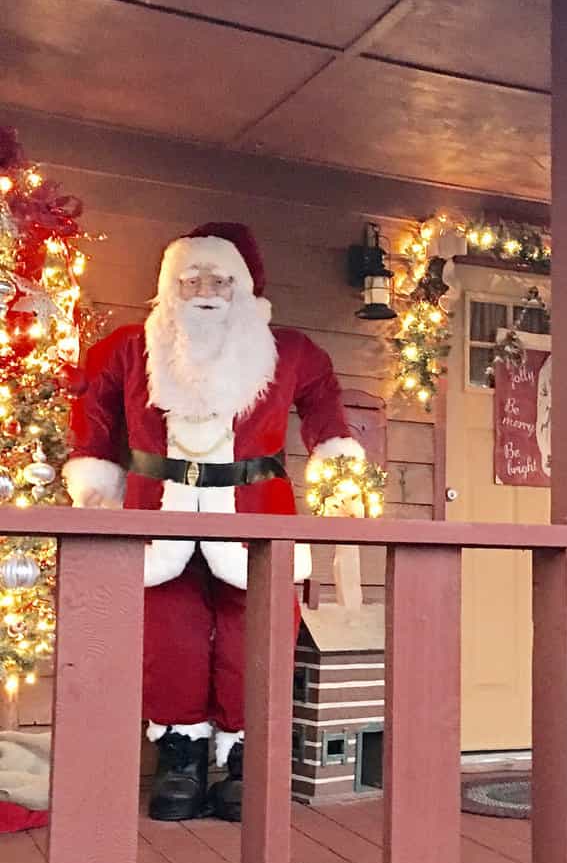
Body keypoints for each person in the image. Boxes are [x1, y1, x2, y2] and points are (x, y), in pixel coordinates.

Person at [63, 223, 364, 822]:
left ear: (244, 288)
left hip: (257, 514)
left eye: (220, 279)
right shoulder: (129, 349)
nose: (205, 290)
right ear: (170, 287)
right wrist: (96, 479)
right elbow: (93, 409)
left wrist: (341, 474)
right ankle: (183, 757)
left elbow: (326, 408)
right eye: (191, 278)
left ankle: (246, 758)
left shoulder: (290, 351)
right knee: (167, 633)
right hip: (158, 511)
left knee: (256, 635)